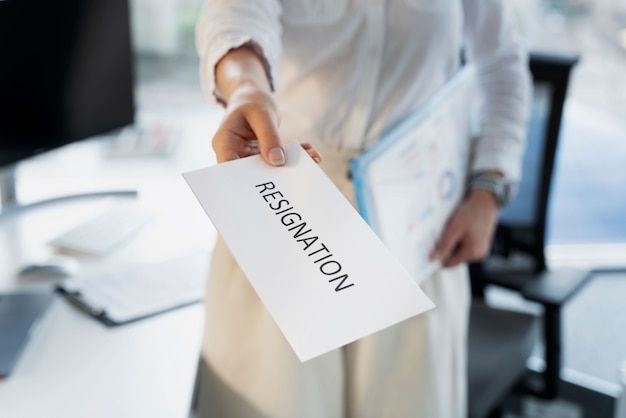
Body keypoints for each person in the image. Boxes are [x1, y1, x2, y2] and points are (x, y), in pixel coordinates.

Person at [194, 1, 531, 417]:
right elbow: (234, 19)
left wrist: (488, 190)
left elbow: (503, 67)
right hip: (287, 197)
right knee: (273, 399)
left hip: (414, 222)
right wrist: (246, 89)